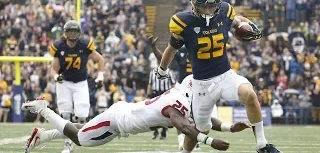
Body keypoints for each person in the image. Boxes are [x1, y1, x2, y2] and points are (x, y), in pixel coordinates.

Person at [155, 0, 281, 153]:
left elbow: (237, 21)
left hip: (225, 75)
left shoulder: (224, 11)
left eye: (212, 6)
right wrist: (162, 69)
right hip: (201, 84)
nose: (209, 11)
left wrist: (249, 25)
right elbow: (171, 49)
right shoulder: (183, 22)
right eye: (204, 7)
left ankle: (262, 145)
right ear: (194, 4)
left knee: (249, 94)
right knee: (201, 129)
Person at [21, 81, 251, 153]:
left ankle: (42, 136)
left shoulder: (184, 95)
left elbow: (203, 121)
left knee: (86, 128)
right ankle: (43, 109)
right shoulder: (177, 105)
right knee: (82, 138)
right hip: (118, 121)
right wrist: (211, 142)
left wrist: (230, 128)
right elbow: (188, 128)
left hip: (123, 116)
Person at [48, 20, 105, 153]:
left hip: (80, 83)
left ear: (79, 33)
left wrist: (100, 76)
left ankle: (84, 140)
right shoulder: (59, 46)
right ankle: (67, 145)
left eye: (75, 31)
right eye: (70, 31)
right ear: (65, 33)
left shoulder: (84, 45)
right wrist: (57, 77)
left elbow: (100, 59)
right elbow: (54, 69)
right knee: (65, 114)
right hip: (64, 83)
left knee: (82, 114)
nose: (73, 34)